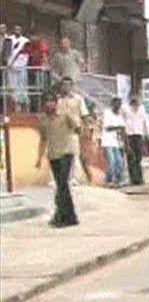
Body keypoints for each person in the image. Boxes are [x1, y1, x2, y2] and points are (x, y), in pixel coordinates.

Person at [36, 93, 81, 228]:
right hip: (53, 155)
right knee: (63, 186)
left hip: (66, 153)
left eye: (52, 101)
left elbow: (78, 128)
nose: (49, 104)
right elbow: (43, 139)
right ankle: (71, 217)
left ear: (56, 103)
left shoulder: (64, 115)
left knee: (61, 185)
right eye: (47, 101)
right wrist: (39, 157)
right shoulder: (43, 120)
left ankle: (60, 216)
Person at [57, 77, 89, 184]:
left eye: (68, 85)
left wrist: (86, 128)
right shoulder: (58, 99)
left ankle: (74, 178)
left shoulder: (78, 99)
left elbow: (84, 115)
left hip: (74, 130)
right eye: (64, 85)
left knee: (74, 155)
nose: (66, 87)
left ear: (72, 86)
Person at [122, 94, 149, 185]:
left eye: (137, 103)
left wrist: (148, 133)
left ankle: (139, 179)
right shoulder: (125, 109)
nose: (136, 106)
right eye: (134, 103)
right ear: (131, 102)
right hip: (129, 135)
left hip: (138, 135)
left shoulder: (142, 109)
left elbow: (145, 121)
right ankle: (133, 179)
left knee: (138, 157)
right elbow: (122, 121)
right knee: (131, 158)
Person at [101, 97, 127, 187]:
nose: (118, 106)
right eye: (117, 103)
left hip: (115, 142)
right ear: (112, 104)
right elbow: (107, 128)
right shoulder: (107, 113)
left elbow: (123, 130)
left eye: (120, 104)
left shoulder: (120, 116)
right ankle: (107, 180)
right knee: (111, 162)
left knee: (119, 162)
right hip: (107, 142)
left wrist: (125, 144)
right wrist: (118, 127)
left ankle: (119, 180)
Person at [6, 25, 30, 112]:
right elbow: (6, 53)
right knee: (12, 89)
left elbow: (25, 54)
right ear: (13, 30)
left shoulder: (25, 41)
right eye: (16, 29)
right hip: (10, 68)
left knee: (23, 88)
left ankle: (26, 110)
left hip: (22, 68)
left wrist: (19, 64)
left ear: (21, 30)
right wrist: (8, 63)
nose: (17, 30)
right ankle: (16, 109)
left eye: (19, 29)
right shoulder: (9, 39)